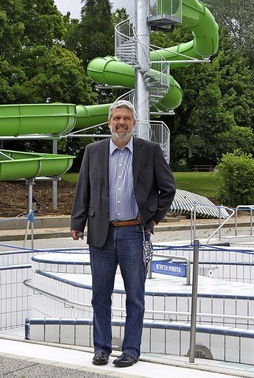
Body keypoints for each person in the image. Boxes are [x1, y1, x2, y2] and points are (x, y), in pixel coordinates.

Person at [70, 100, 176, 367]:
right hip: (101, 235)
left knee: (135, 296)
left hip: (134, 233)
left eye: (127, 118)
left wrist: (152, 219)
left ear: (134, 123)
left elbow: (168, 188)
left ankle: (131, 349)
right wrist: (77, 222)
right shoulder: (93, 151)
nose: (121, 123)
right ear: (109, 122)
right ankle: (101, 348)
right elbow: (84, 189)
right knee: (100, 295)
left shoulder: (149, 151)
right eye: (117, 118)